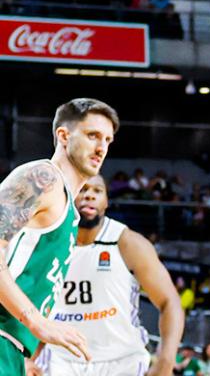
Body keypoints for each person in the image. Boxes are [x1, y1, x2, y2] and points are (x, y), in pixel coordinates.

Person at [0, 99, 119, 375]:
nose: (101, 147)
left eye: (108, 140)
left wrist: (27, 350)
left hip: (12, 347)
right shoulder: (43, 178)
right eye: (92, 136)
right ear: (63, 136)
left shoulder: (68, 212)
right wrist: (36, 322)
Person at [32, 175, 184, 376]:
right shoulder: (49, 243)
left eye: (97, 191)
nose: (89, 196)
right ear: (68, 197)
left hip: (122, 360)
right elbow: (31, 307)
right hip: (61, 359)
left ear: (106, 202)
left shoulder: (127, 243)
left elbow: (169, 301)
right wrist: (28, 357)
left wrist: (166, 360)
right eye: (83, 189)